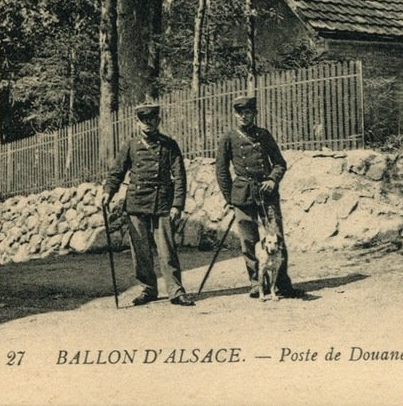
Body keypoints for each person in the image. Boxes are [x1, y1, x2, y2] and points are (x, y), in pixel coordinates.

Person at [102, 102, 194, 306]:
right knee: (141, 251)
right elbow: (117, 172)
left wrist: (177, 204)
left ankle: (176, 291)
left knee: (167, 250)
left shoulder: (169, 145)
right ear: (137, 123)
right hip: (136, 203)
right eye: (144, 120)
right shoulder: (130, 145)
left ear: (158, 121)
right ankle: (148, 289)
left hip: (162, 202)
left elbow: (180, 176)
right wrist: (108, 192)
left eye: (153, 120)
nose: (149, 124)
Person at [215, 93, 294, 298]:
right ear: (235, 115)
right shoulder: (228, 138)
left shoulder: (264, 135)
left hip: (266, 193)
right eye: (240, 113)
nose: (244, 116)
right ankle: (256, 283)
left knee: (276, 237)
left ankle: (281, 282)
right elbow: (222, 171)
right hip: (242, 194)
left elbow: (279, 163)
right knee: (249, 241)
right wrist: (230, 199)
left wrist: (272, 179)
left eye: (248, 112)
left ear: (255, 114)